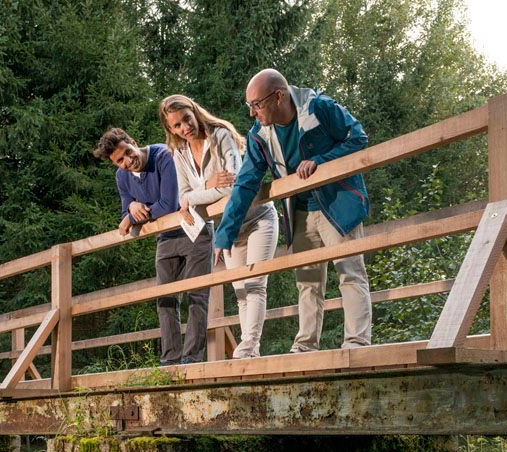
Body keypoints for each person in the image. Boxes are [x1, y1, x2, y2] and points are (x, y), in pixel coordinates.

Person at [213, 69, 373, 352]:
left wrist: (321, 160)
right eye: (249, 105)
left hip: (337, 204)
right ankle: (306, 345)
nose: (252, 113)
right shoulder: (259, 135)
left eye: (257, 104)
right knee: (307, 281)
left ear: (278, 96)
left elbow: (357, 137)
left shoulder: (319, 107)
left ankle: (356, 343)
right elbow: (245, 184)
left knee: (349, 272)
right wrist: (224, 235)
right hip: (299, 212)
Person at [160, 94, 279, 359]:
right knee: (240, 291)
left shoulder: (220, 135)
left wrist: (193, 197)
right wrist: (205, 186)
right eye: (177, 125)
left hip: (257, 218)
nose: (185, 127)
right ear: (171, 129)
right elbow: (182, 196)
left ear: (195, 112)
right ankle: (251, 350)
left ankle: (248, 346)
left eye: (187, 119)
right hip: (228, 229)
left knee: (255, 283)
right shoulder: (179, 154)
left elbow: (231, 185)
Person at [93, 127, 210, 366]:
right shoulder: (122, 177)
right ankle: (170, 361)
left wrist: (133, 214)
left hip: (193, 228)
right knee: (164, 299)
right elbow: (125, 215)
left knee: (197, 295)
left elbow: (168, 204)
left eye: (128, 152)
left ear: (133, 142)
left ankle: (192, 359)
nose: (128, 161)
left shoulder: (164, 155)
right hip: (165, 237)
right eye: (120, 160)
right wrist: (130, 208)